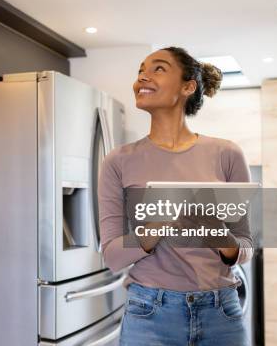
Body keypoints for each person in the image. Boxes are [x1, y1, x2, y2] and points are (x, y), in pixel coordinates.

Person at [98, 47, 253, 346]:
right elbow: (112, 256)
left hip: (221, 313)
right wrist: (159, 225)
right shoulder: (118, 161)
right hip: (149, 314)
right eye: (140, 70)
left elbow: (245, 248)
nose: (142, 76)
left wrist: (212, 231)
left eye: (158, 68)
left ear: (188, 86)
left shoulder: (227, 154)